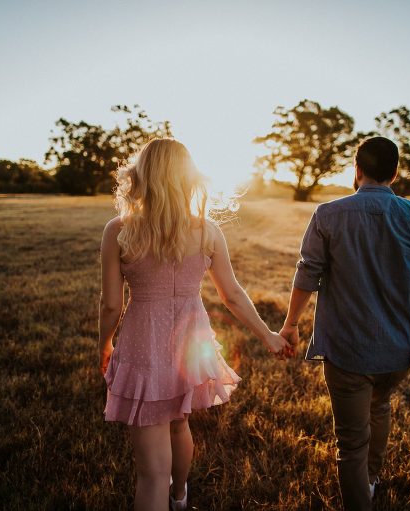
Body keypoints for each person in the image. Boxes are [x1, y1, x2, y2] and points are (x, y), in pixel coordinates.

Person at [99, 138, 290, 511]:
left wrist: (105, 343)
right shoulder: (207, 230)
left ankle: (167, 490)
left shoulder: (120, 229)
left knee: (151, 474)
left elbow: (110, 305)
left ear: (141, 175)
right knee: (179, 422)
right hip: (190, 344)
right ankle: (180, 496)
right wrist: (267, 335)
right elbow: (232, 295)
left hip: (143, 343)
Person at [279, 136, 410, 510]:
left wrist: (290, 324)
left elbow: (308, 273)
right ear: (395, 173)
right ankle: (370, 480)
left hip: (347, 351)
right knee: (380, 406)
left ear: (356, 170)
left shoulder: (328, 214)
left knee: (351, 442)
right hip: (399, 349)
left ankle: (363, 490)